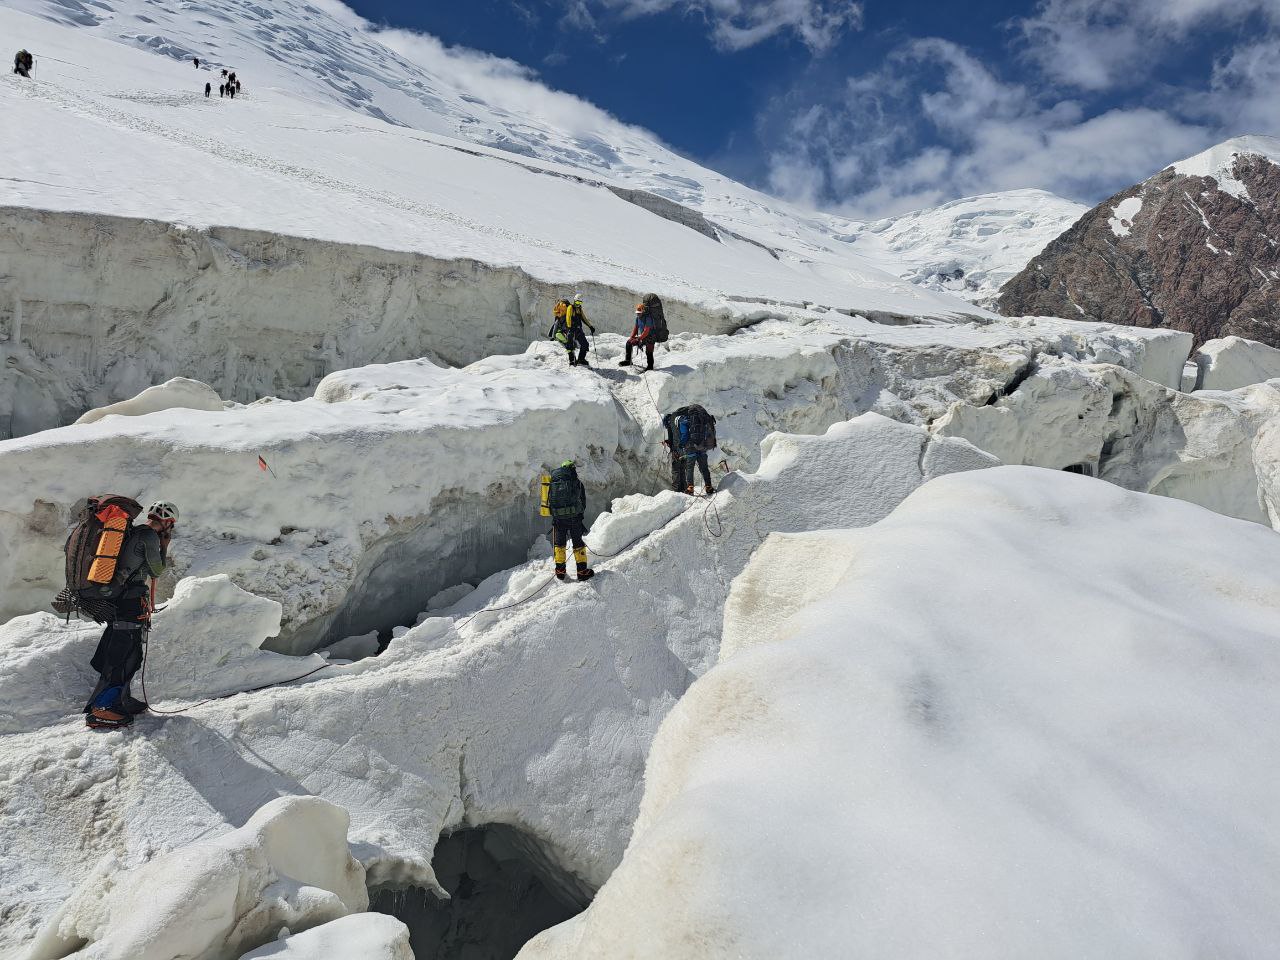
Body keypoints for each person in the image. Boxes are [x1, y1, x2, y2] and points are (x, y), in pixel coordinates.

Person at [84, 501, 178, 729]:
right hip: (130, 604)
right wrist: (164, 546)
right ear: (167, 521)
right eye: (171, 524)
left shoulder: (132, 531)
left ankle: (120, 700)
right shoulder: (149, 537)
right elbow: (157, 570)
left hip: (121, 601)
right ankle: (102, 709)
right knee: (123, 656)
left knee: (130, 654)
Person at [543, 461, 594, 582]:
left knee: (559, 544)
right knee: (578, 544)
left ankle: (560, 571)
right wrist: (578, 515)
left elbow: (548, 501)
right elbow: (583, 501)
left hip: (558, 520)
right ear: (572, 469)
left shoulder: (553, 483)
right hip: (574, 519)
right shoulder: (577, 483)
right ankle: (582, 572)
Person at [662, 406, 717, 496]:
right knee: (704, 468)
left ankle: (689, 488)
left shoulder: (681, 420)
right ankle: (708, 487)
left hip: (690, 448)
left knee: (689, 468)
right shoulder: (698, 419)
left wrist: (681, 444)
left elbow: (684, 434)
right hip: (702, 446)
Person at [548, 295, 594, 367]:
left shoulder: (579, 309)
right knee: (570, 345)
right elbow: (568, 317)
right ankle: (572, 361)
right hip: (571, 329)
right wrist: (569, 329)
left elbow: (584, 318)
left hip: (578, 330)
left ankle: (581, 360)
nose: (578, 303)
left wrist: (590, 326)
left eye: (580, 302)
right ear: (575, 300)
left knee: (585, 344)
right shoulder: (570, 307)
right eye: (577, 301)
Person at [619, 301, 656, 371]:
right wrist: (632, 337)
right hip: (643, 336)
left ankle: (650, 367)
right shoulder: (637, 318)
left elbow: (646, 330)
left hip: (651, 337)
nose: (638, 314)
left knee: (649, 352)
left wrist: (639, 338)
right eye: (637, 313)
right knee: (629, 343)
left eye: (639, 313)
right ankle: (628, 361)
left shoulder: (648, 318)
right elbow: (635, 328)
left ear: (643, 311)